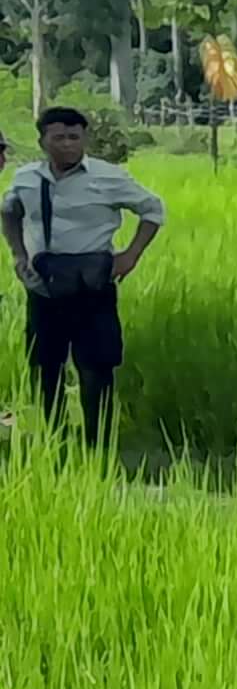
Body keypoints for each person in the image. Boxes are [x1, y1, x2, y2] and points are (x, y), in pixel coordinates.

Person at [4, 106, 163, 444]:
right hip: (43, 288)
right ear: (42, 140)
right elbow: (9, 212)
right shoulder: (27, 178)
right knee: (45, 369)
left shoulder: (108, 177)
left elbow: (153, 209)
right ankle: (54, 439)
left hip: (93, 288)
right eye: (58, 137)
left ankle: (98, 443)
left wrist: (131, 255)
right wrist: (18, 254)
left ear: (85, 138)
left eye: (74, 137)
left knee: (96, 369)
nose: (67, 145)